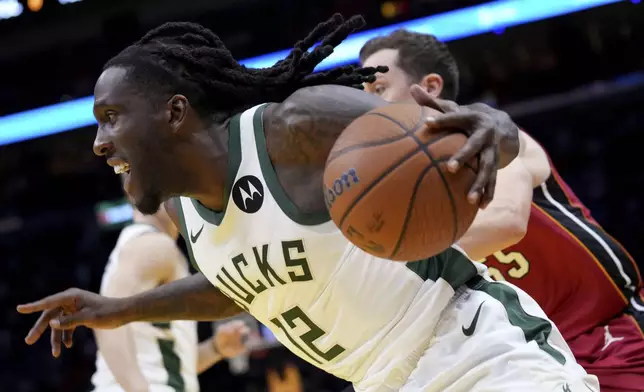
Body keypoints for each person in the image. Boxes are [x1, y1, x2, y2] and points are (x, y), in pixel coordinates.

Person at [17, 15, 599, 391]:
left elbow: (466, 130)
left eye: (111, 118)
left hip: (479, 355)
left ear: (173, 112)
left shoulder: (294, 127)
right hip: (383, 383)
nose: (98, 144)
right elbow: (242, 286)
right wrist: (118, 309)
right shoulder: (185, 212)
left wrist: (496, 126)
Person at [359, 29, 644, 392]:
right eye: (363, 95)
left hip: (610, 335)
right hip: (531, 357)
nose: (367, 106)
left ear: (430, 87)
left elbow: (505, 223)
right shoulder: (397, 191)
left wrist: (383, 263)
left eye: (379, 89)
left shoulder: (493, 138)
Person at [90, 195, 252, 392]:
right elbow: (106, 320)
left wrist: (214, 349)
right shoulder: (153, 246)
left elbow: (164, 366)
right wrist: (138, 389)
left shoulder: (149, 246)